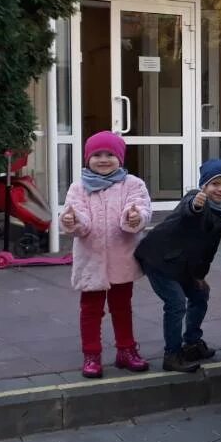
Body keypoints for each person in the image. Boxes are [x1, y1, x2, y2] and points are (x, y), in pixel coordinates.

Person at [61, 131, 153, 379]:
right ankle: (91, 354)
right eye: (97, 155)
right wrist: (72, 220)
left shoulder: (133, 184)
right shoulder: (78, 187)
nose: (103, 159)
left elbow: (142, 209)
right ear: (87, 158)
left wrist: (135, 217)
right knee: (90, 310)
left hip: (122, 257)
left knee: (122, 307)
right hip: (90, 259)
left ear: (120, 158)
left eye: (110, 154)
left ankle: (126, 350)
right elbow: (79, 221)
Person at [134, 161, 221, 374]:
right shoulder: (194, 199)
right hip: (158, 259)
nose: (220, 189)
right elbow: (190, 210)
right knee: (176, 302)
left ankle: (192, 343)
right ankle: (172, 354)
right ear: (204, 187)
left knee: (200, 293)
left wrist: (199, 275)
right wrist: (196, 204)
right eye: (214, 184)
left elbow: (209, 249)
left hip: (181, 264)